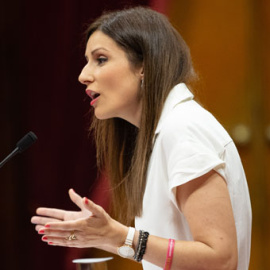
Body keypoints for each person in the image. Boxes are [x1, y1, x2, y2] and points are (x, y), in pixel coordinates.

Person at [31, 6, 252, 270]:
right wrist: (107, 237)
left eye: (100, 59)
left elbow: (220, 259)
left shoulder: (183, 128)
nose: (83, 75)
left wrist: (122, 236)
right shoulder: (165, 130)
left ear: (144, 66)